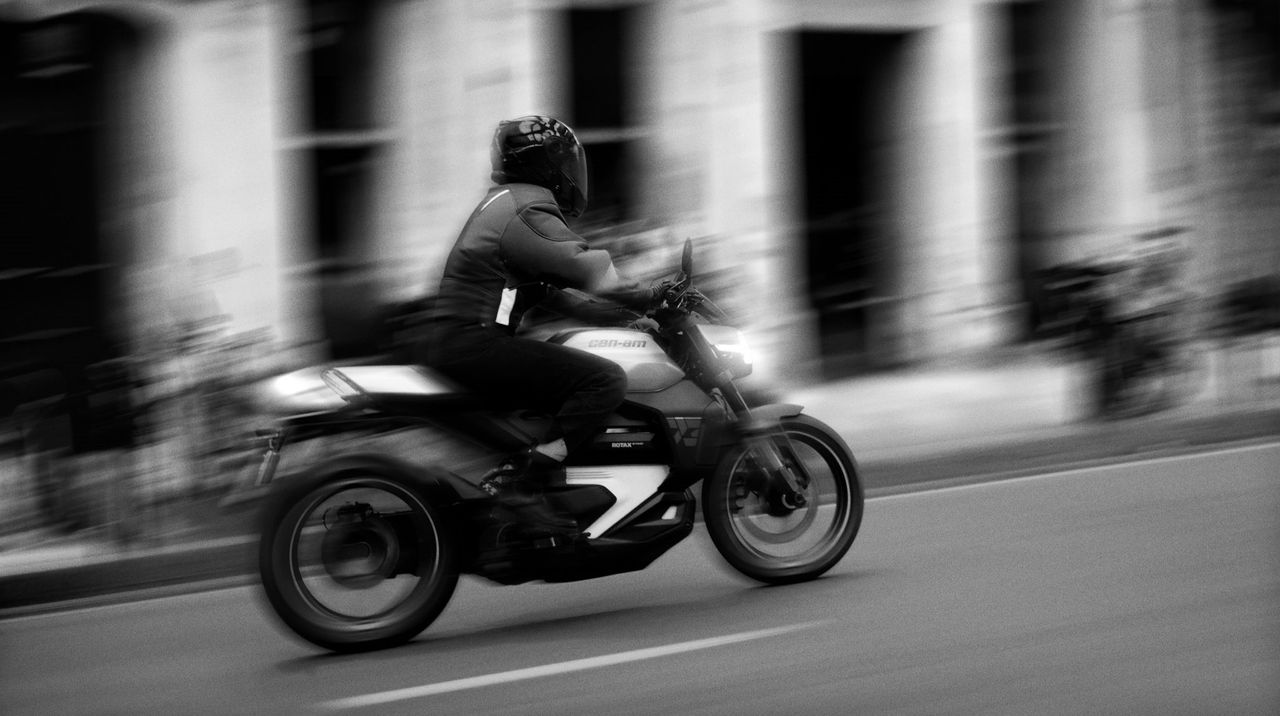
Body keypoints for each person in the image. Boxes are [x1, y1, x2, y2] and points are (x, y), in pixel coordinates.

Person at [419, 115, 660, 534]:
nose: (571, 172)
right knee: (603, 379)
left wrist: (632, 318)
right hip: (476, 344)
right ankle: (526, 486)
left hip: (463, 342)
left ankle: (541, 479)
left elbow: (558, 294)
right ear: (548, 165)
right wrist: (650, 292)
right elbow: (583, 267)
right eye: (564, 162)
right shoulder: (526, 207)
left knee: (568, 359)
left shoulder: (505, 203)